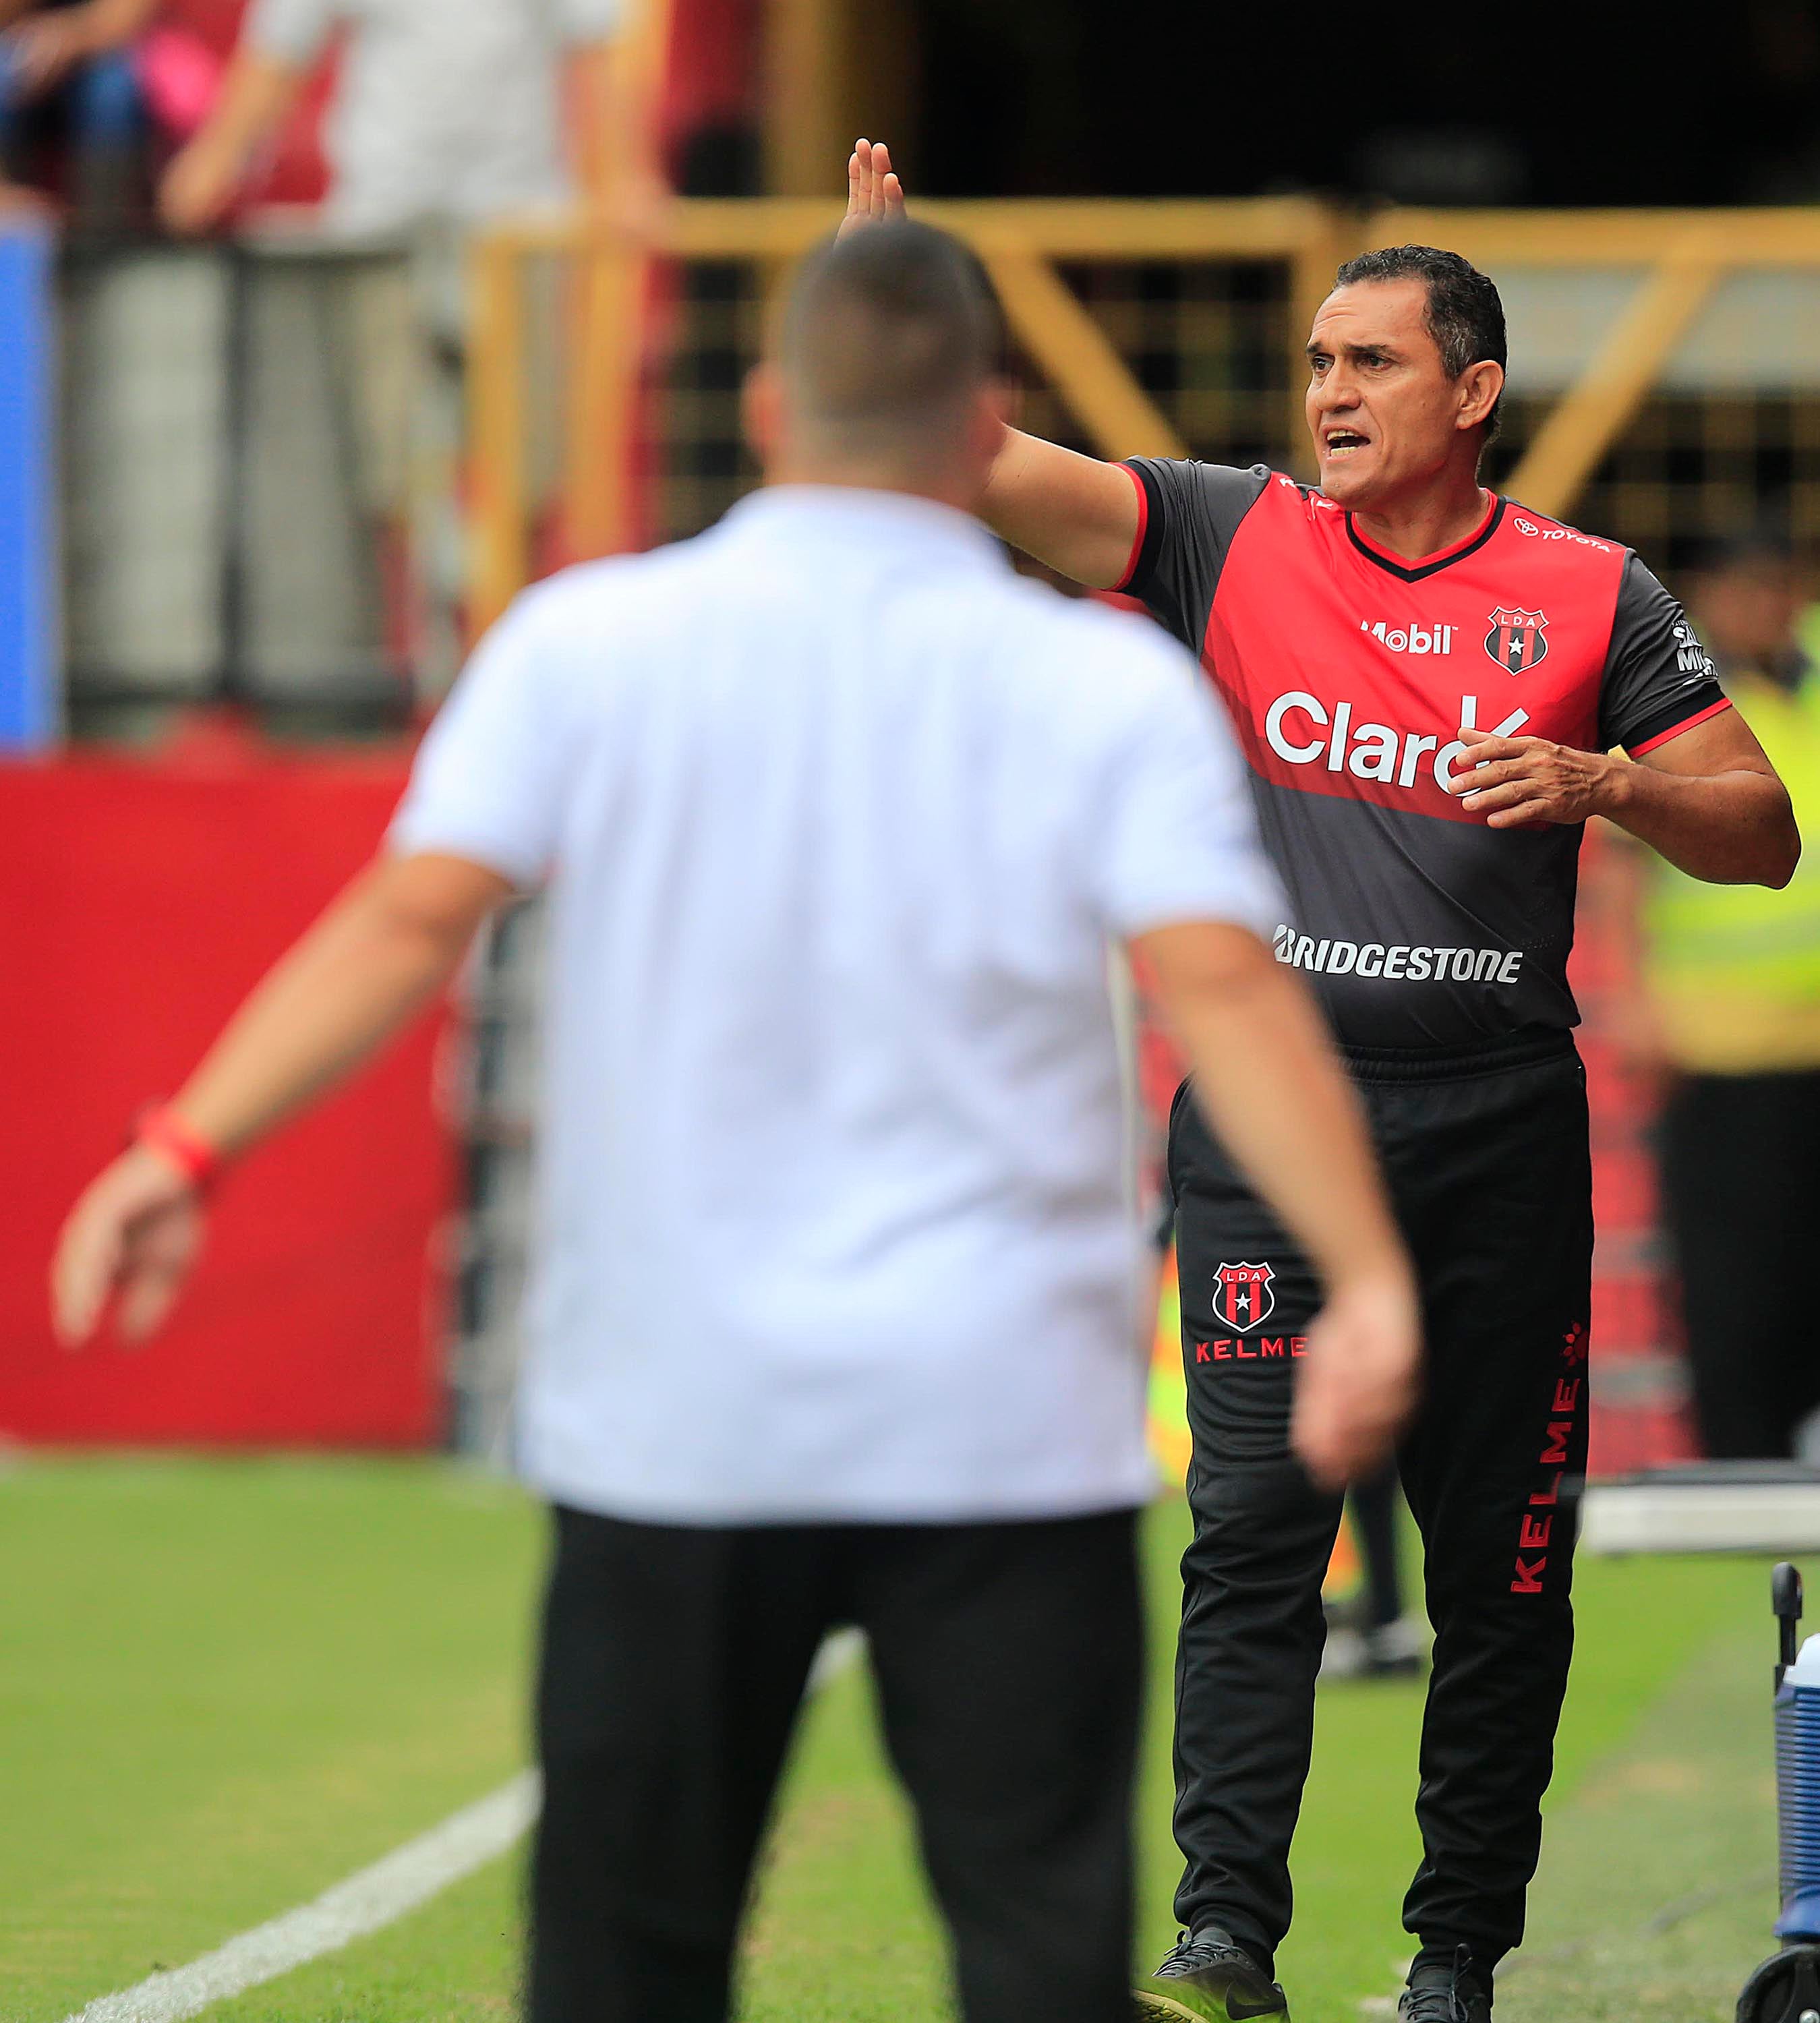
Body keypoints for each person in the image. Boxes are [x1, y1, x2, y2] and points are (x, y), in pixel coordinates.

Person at [50, 221, 1419, 2023]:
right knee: (1037, 1961)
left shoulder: (588, 644)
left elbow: (406, 920)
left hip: (679, 1424)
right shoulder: (1099, 687)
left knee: (629, 1968)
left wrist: (184, 1151)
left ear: (771, 408)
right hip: (999, 1427)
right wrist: (1365, 1278)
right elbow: (1225, 990)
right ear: (986, 421)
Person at [842, 144, 1800, 2023]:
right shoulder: (1220, 534)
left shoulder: (1590, 594)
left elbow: (1758, 829)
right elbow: (978, 464)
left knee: (1501, 1576)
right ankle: (1223, 1941)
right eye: (1315, 364)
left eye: (1371, 363)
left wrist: (1608, 783)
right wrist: (889, 305)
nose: (1330, 395)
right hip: (1271, 1137)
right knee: (1251, 1541)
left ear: (1471, 391)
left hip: (1499, 1139)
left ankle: (1456, 1957)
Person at [1603, 533, 1820, 1461]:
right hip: (1716, 1047)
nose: (1763, 606)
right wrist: (1634, 1000)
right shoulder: (1678, 694)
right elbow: (1623, 868)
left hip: (1809, 1047)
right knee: (1732, 1279)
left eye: (1778, 586)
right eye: (1745, 588)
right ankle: (1737, 1465)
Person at [155, 0, 641, 238]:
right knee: (378, 401)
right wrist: (214, 158)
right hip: (383, 213)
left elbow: (595, 50)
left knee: (522, 405)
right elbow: (280, 50)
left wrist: (627, 180)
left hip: (519, 222)